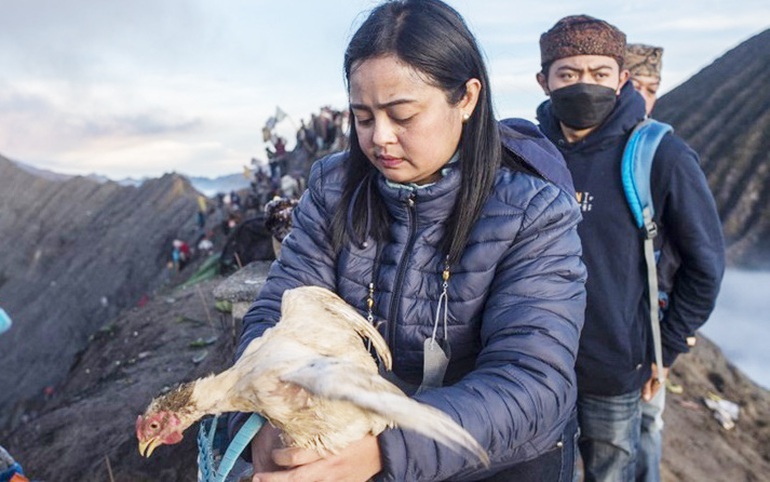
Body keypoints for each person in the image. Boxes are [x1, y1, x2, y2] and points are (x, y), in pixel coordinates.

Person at [229, 1, 587, 480]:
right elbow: (279, 309)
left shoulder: (533, 212)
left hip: (497, 461)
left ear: (466, 99)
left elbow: (531, 381)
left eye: (402, 115)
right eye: (362, 116)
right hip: (352, 437)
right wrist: (270, 413)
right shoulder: (334, 191)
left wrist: (384, 451)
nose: (380, 139)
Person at [534, 15, 725, 482]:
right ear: (544, 81)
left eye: (599, 74)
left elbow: (705, 264)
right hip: (533, 366)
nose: (585, 85)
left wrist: (668, 348)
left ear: (622, 79)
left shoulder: (662, 155)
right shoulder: (527, 152)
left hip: (615, 369)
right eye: (568, 74)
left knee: (613, 473)